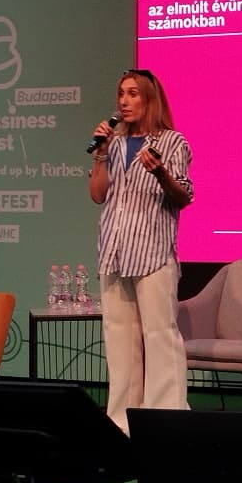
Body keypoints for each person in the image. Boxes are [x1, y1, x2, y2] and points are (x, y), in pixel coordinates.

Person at [88, 68, 193, 435]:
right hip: (114, 252)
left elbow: (184, 196)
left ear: (149, 99)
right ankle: (121, 422)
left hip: (152, 253)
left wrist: (161, 173)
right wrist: (100, 155)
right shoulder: (114, 143)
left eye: (132, 94)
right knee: (119, 340)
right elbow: (98, 195)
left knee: (160, 335)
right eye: (121, 93)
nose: (124, 101)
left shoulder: (173, 142)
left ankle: (167, 420)